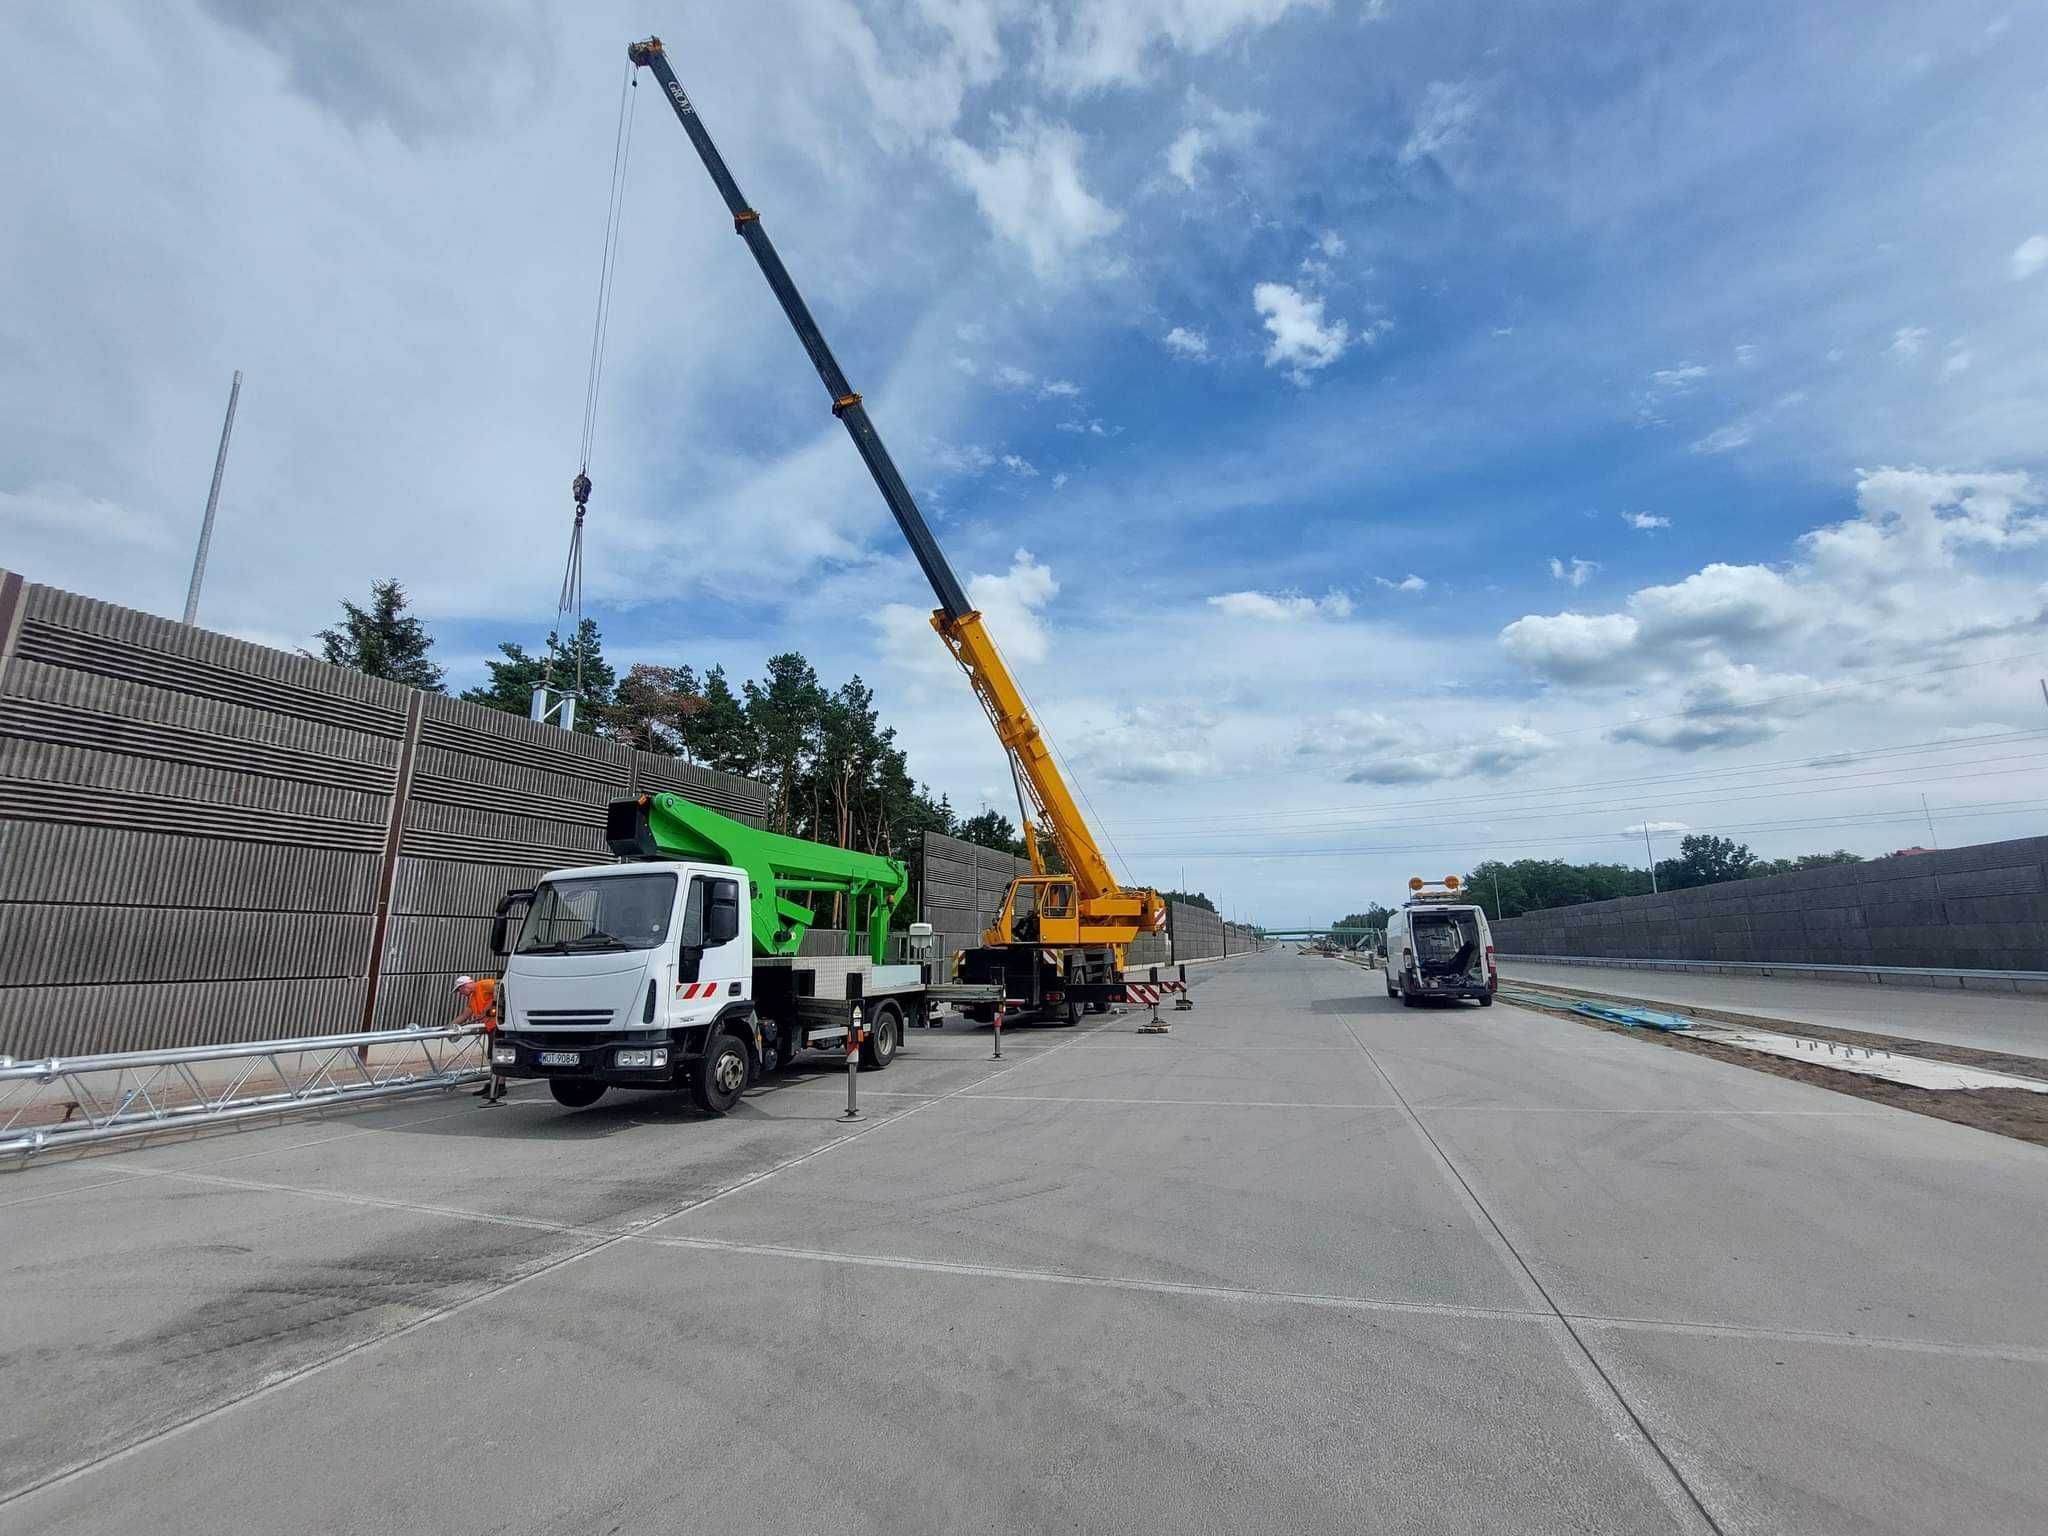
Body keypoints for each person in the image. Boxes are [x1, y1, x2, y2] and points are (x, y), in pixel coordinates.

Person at [455, 975, 505, 1102]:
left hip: (499, 1024)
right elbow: (464, 1015)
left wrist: (487, 1008)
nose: (461, 994)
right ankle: (494, 1082)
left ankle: (499, 1085)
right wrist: (450, 1026)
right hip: (491, 1027)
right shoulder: (473, 998)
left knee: (496, 1055)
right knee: (491, 1055)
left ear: (465, 986)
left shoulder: (484, 985)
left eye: (460, 990)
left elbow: (500, 991)